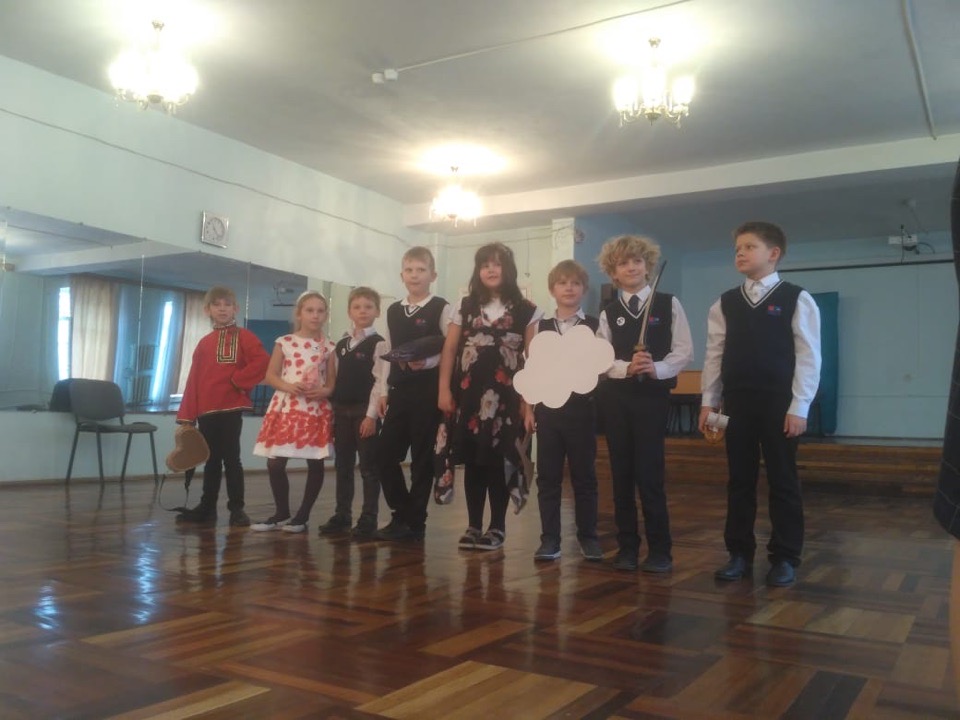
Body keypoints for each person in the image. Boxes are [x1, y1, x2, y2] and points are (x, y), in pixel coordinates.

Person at [700, 221, 821, 587]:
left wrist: (799, 406)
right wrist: (709, 401)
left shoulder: (797, 298)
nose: (740, 253)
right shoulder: (724, 303)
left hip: (779, 404)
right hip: (736, 404)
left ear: (774, 253)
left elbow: (809, 356)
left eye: (749, 246)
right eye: (737, 248)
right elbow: (714, 354)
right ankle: (739, 553)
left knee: (783, 480)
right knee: (739, 480)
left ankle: (785, 557)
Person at [597, 235, 693, 572]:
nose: (631, 267)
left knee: (650, 476)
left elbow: (684, 350)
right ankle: (627, 548)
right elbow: (601, 358)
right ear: (614, 273)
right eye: (623, 263)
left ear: (648, 266)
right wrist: (626, 368)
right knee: (621, 475)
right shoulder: (609, 313)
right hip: (617, 400)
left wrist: (657, 368)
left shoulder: (668, 303)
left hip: (652, 399)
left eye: (637, 261)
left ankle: (660, 551)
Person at [438, 242, 540, 551]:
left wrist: (528, 405)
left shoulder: (528, 310)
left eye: (497, 264)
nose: (491, 270)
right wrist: (443, 389)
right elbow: (450, 350)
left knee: (498, 461)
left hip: (508, 399)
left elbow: (533, 359)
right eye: (485, 265)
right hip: (468, 397)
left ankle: (497, 527)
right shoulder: (464, 306)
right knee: (473, 461)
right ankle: (473, 525)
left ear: (508, 269)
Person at [373, 246, 453, 541]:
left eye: (421, 270)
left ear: (433, 275)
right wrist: (383, 391)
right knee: (384, 455)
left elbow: (451, 349)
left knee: (422, 458)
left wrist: (428, 362)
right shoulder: (393, 310)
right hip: (399, 391)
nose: (415, 275)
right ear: (402, 275)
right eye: (409, 270)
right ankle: (403, 512)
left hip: (428, 392)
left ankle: (415, 522)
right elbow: (388, 351)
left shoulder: (442, 307)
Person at [175, 285, 270, 527]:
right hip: (206, 410)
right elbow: (194, 379)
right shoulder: (204, 343)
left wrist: (238, 381)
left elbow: (262, 361)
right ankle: (207, 507)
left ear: (235, 308)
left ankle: (237, 509)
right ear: (207, 310)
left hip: (230, 408)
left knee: (232, 458)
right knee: (211, 459)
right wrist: (187, 415)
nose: (222, 309)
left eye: (227, 304)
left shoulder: (245, 337)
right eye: (217, 305)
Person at [531, 260, 602, 561]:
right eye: (562, 283)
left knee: (584, 477)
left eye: (575, 283)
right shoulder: (539, 326)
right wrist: (529, 409)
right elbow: (532, 369)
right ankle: (550, 539)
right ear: (552, 289)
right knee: (547, 478)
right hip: (548, 412)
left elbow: (602, 365)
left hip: (582, 411)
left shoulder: (596, 325)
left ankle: (588, 537)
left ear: (583, 289)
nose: (569, 288)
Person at [251, 291, 337, 534]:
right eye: (309, 310)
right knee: (275, 463)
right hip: (287, 406)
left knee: (315, 462)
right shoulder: (284, 342)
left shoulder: (329, 347)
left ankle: (302, 516)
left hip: (314, 408)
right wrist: (288, 386)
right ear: (299, 314)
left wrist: (324, 391)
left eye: (320, 311)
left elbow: (331, 382)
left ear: (325, 315)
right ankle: (282, 512)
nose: (315, 315)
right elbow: (271, 375)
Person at [318, 287, 384, 538]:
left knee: (368, 467)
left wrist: (371, 416)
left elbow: (380, 382)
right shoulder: (341, 345)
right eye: (357, 307)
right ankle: (342, 514)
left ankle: (369, 518)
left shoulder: (379, 344)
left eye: (368, 307)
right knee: (343, 466)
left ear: (377, 311)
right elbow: (334, 378)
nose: (362, 311)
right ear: (349, 312)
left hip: (363, 413)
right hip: (341, 411)